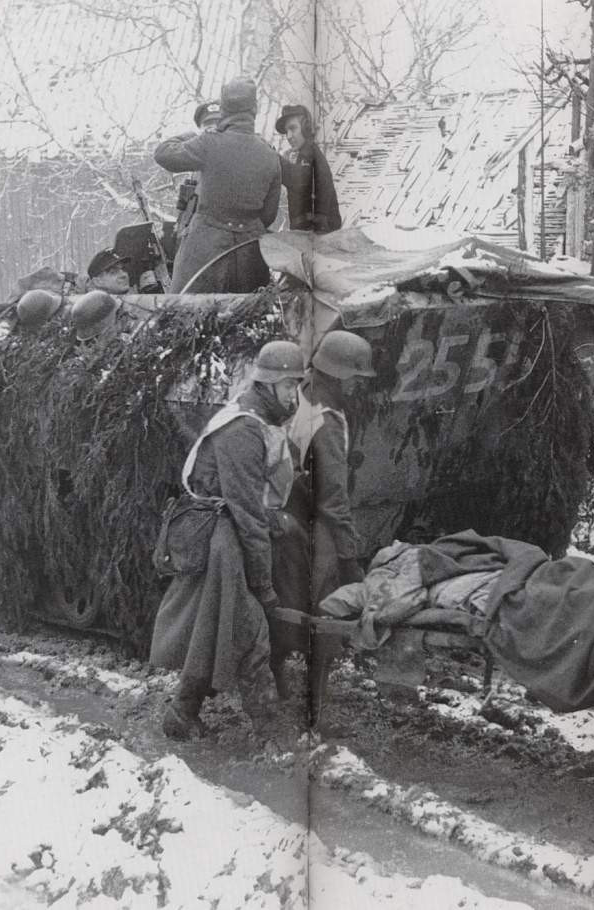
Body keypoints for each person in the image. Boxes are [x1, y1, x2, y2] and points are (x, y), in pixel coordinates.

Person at [150, 340, 305, 740]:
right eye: (289, 386)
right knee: (250, 628)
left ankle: (182, 713)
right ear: (268, 385)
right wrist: (263, 584)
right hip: (222, 535)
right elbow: (247, 513)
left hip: (231, 530)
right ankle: (270, 733)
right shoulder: (242, 430)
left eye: (296, 386)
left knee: (212, 628)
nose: (294, 395)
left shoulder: (259, 420)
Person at [153, 77, 281, 293]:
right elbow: (269, 214)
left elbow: (163, 154)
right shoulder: (270, 155)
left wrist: (189, 136)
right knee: (250, 319)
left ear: (224, 110)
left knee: (186, 312)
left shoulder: (209, 143)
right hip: (249, 254)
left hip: (205, 253)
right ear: (255, 109)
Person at [289, 330, 376, 606]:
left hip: (284, 503)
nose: (358, 386)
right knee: (326, 578)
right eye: (356, 377)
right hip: (300, 511)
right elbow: (332, 496)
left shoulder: (303, 388)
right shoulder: (325, 420)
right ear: (338, 374)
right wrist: (349, 558)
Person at [275, 104, 341, 234]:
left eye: (293, 129)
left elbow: (297, 180)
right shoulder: (305, 153)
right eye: (286, 131)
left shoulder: (309, 153)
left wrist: (272, 157)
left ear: (305, 128)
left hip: (321, 234)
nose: (288, 136)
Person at [173, 100, 222, 248]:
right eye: (207, 124)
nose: (212, 128)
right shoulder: (196, 166)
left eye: (217, 123)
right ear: (201, 130)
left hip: (217, 244)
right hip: (190, 242)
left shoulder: (233, 160)